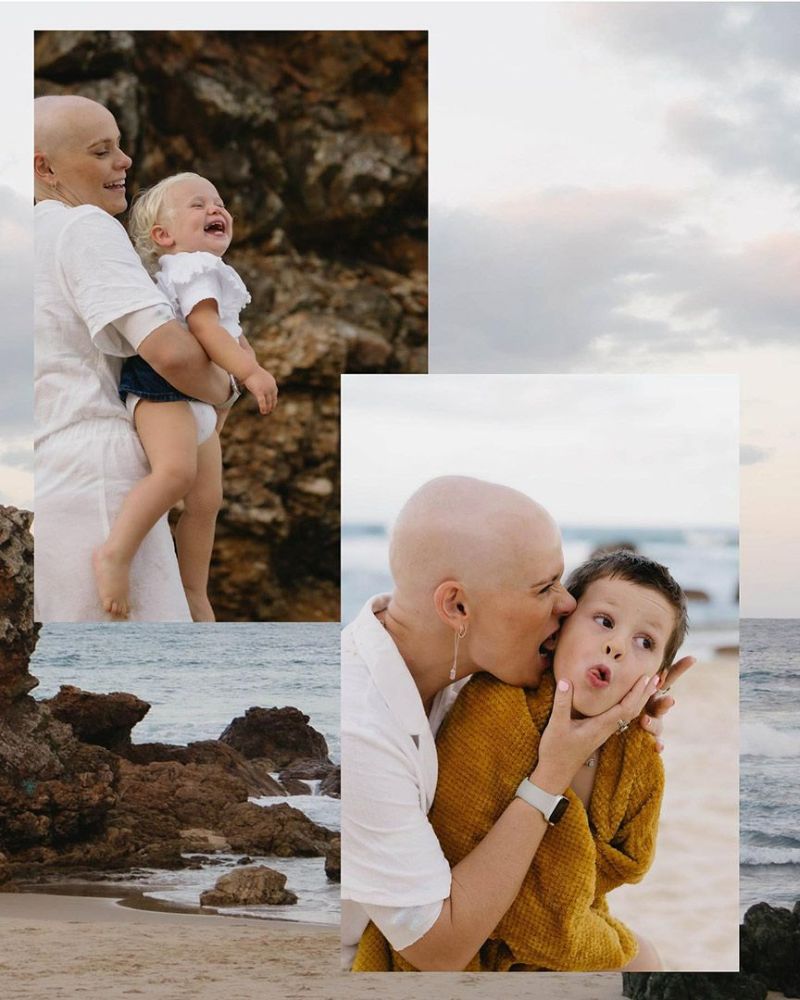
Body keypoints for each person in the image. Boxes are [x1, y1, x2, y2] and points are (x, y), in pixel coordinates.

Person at [341, 476, 694, 971]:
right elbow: (438, 952)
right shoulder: (358, 730)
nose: (568, 603)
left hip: (491, 922)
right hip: (378, 954)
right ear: (458, 607)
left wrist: (623, 725)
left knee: (642, 961)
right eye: (545, 588)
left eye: (561, 580)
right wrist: (551, 773)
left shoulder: (468, 658)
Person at [33, 94, 233, 622]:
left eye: (119, 147)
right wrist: (228, 390)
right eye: (101, 152)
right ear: (44, 166)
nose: (123, 162)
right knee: (151, 686)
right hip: (102, 480)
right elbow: (170, 353)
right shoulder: (84, 227)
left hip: (50, 480)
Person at [92, 172, 279, 621]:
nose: (215, 209)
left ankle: (194, 590)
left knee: (207, 500)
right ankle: (114, 554)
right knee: (175, 475)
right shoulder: (193, 267)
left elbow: (227, 331)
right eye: (198, 205)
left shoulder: (207, 272)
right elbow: (205, 329)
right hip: (163, 392)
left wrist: (226, 397)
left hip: (197, 400)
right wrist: (250, 370)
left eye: (218, 202)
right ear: (163, 236)